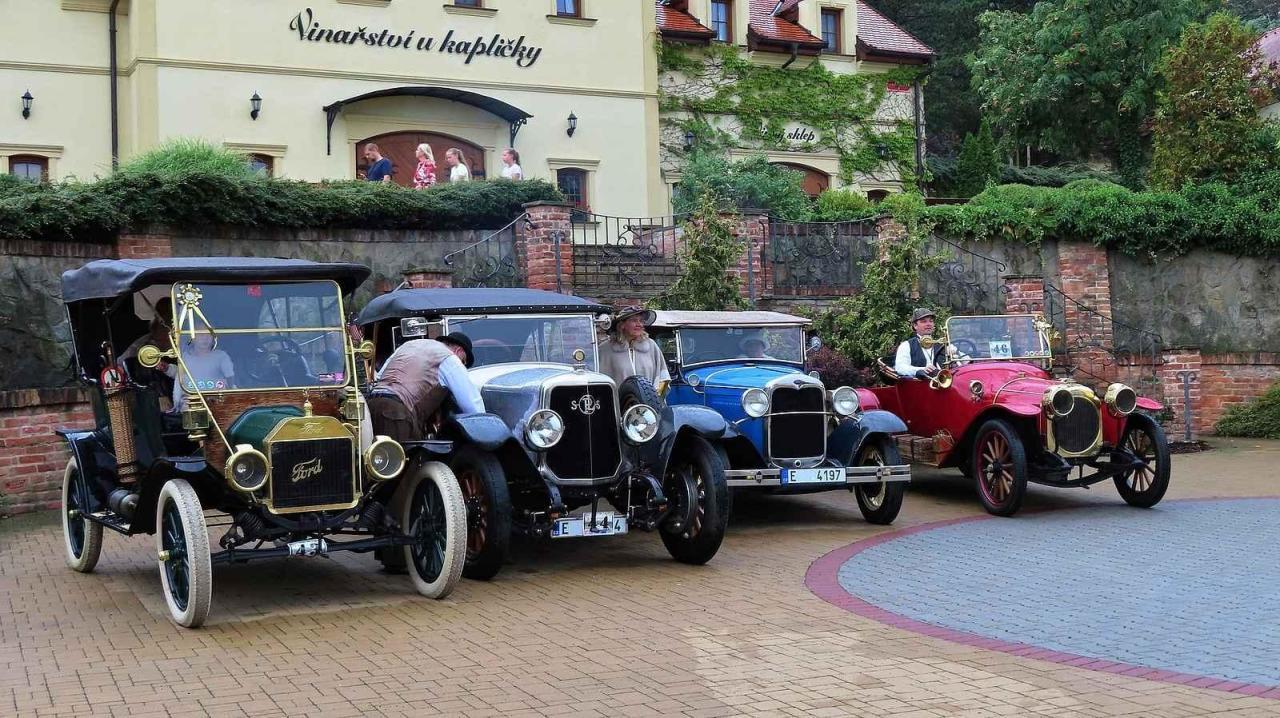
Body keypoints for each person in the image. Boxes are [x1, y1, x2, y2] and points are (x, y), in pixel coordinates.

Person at [367, 333, 483, 443]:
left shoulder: (409, 345)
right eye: (463, 361)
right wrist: (485, 429)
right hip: (397, 414)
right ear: (459, 351)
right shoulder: (450, 358)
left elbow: (378, 378)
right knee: (404, 462)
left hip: (371, 407)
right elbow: (472, 405)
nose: (462, 365)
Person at [599, 306, 670, 390]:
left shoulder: (651, 346)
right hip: (618, 402)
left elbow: (663, 379)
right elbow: (600, 383)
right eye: (634, 320)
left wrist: (655, 399)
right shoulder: (606, 349)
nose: (639, 324)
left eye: (641, 321)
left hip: (648, 402)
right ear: (622, 325)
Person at [173, 330, 235, 410]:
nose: (205, 338)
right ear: (193, 337)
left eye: (209, 334)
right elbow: (179, 380)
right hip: (191, 402)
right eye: (200, 334)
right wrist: (176, 404)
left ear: (213, 337)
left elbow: (230, 379)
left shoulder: (221, 356)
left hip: (217, 401)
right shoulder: (185, 357)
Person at [894, 308, 944, 380]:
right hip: (920, 386)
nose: (929, 324)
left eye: (931, 321)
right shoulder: (906, 345)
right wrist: (922, 369)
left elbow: (964, 360)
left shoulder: (942, 343)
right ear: (915, 325)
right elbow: (900, 368)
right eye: (924, 321)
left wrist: (955, 354)